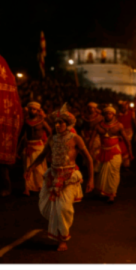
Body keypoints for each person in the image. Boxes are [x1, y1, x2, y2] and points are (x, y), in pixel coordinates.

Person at [28, 104, 95, 251]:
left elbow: (89, 159)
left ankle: (63, 239)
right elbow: (43, 155)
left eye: (61, 122)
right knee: (49, 208)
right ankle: (58, 234)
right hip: (53, 175)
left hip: (69, 177)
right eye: (57, 122)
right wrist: (31, 167)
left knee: (63, 209)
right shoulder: (52, 138)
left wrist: (91, 179)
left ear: (69, 124)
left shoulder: (76, 139)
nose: (58, 125)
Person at [94, 104, 131, 203]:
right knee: (102, 173)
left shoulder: (119, 126)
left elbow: (126, 140)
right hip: (103, 152)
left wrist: (130, 153)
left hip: (115, 152)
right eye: (106, 113)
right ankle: (104, 192)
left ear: (114, 115)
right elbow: (91, 140)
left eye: (110, 113)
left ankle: (112, 194)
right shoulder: (99, 126)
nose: (108, 115)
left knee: (114, 173)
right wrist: (89, 152)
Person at [19, 101, 51, 196]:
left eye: (34, 109)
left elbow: (50, 132)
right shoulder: (26, 121)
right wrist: (17, 148)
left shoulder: (42, 122)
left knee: (39, 169)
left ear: (38, 111)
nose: (32, 111)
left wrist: (50, 146)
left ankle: (41, 186)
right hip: (28, 146)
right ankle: (27, 188)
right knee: (27, 167)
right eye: (30, 109)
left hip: (39, 146)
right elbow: (21, 135)